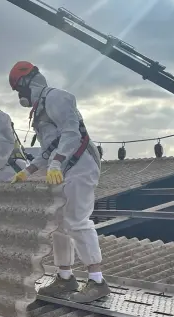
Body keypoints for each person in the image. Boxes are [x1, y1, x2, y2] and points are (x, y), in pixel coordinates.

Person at [8, 60, 110, 303]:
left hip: (80, 166)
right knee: (59, 223)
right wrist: (29, 170)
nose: (19, 96)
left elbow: (72, 133)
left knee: (77, 220)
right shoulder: (42, 108)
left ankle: (97, 280)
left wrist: (56, 163)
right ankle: (65, 277)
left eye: (18, 89)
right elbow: (49, 149)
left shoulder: (56, 97)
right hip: (65, 168)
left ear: (25, 82)